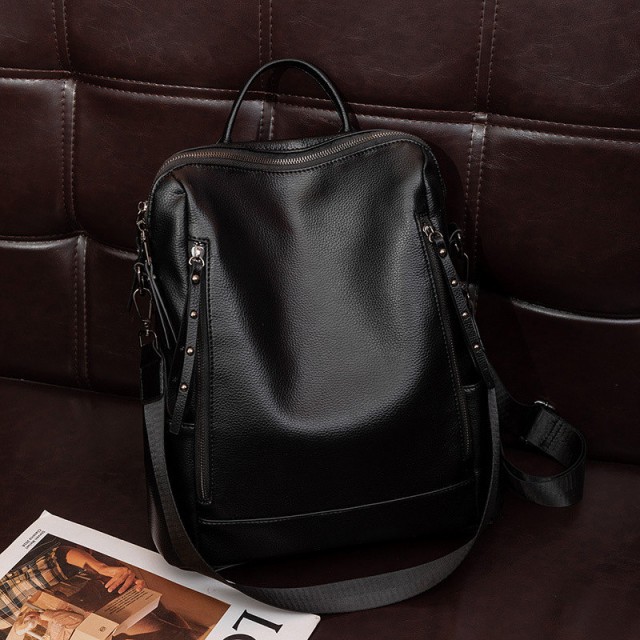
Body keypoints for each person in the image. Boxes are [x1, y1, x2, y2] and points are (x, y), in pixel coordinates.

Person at [0, 545, 144, 627]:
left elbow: (58, 557)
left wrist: (101, 568)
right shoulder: (5, 622)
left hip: (74, 554)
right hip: (94, 589)